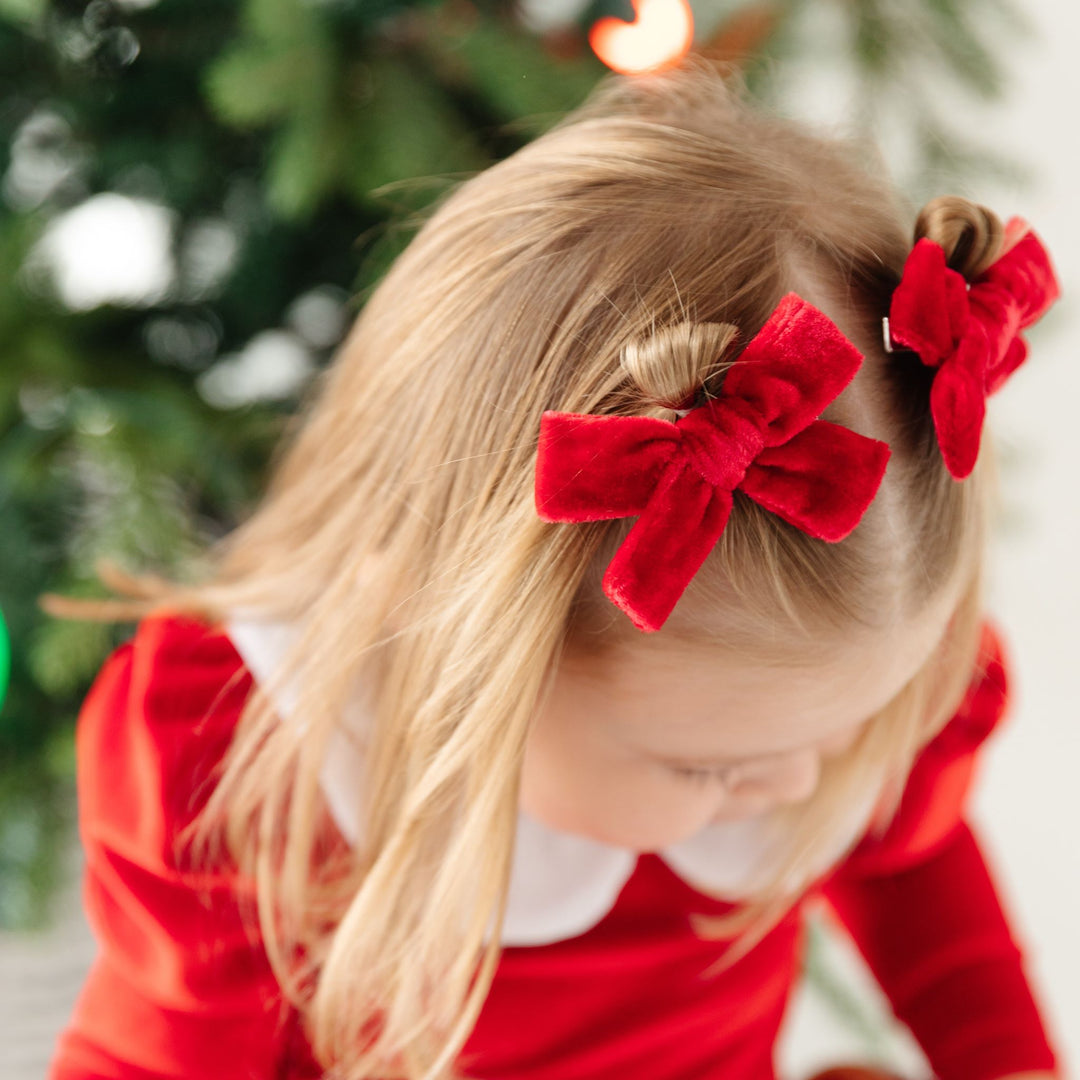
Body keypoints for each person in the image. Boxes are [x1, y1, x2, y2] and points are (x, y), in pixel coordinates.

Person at [42, 56, 1064, 1080]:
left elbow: (918, 875)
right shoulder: (247, 766)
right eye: (704, 771)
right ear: (475, 655)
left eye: (846, 731)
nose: (800, 783)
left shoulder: (794, 708)